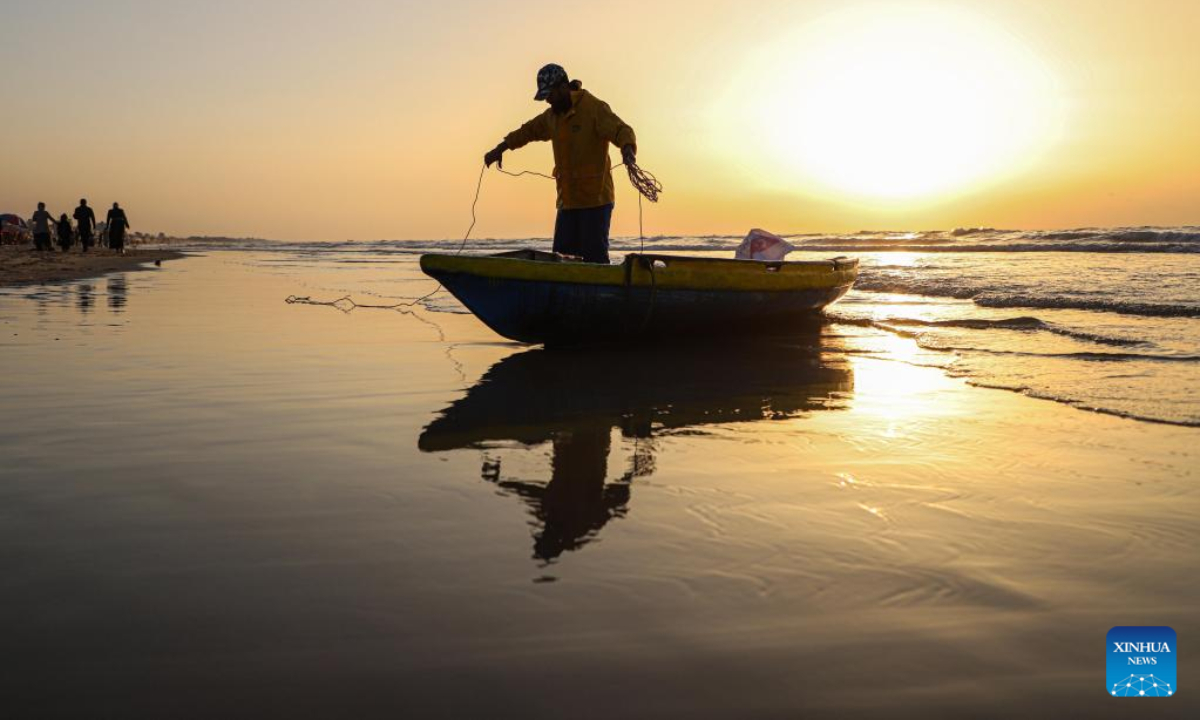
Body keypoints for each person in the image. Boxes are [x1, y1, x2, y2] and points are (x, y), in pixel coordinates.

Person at [483, 64, 637, 264]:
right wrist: (501, 148)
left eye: (550, 94)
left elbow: (621, 130)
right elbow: (528, 131)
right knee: (561, 259)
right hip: (567, 202)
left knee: (595, 260)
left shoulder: (593, 108)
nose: (547, 100)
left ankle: (596, 295)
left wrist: (628, 150)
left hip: (596, 201)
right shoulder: (551, 117)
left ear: (563, 87)